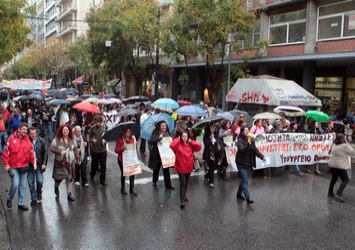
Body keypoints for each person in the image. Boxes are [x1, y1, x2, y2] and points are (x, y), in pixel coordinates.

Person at [2, 122, 36, 211]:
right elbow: (5, 153)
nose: (25, 131)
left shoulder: (28, 140)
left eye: (26, 130)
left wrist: (33, 162)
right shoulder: (10, 139)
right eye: (23, 129)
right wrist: (7, 165)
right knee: (15, 183)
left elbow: (31, 151)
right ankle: (9, 198)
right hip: (13, 166)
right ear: (19, 129)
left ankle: (20, 203)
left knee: (23, 185)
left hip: (24, 166)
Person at [170, 131, 201, 209]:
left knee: (186, 182)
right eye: (183, 136)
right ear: (180, 137)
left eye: (186, 136)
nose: (185, 138)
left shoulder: (190, 144)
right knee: (183, 183)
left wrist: (191, 141)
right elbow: (171, 145)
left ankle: (184, 195)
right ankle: (182, 201)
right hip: (180, 167)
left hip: (189, 166)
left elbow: (198, 147)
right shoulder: (178, 144)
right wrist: (178, 139)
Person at [236, 126, 265, 205]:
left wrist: (262, 157)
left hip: (248, 163)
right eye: (245, 130)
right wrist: (248, 144)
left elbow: (255, 150)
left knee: (244, 179)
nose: (247, 131)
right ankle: (248, 198)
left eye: (248, 130)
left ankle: (239, 193)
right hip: (241, 163)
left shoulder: (251, 140)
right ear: (242, 132)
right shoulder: (240, 141)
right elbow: (242, 150)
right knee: (245, 180)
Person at [50, 124, 77, 202]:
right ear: (61, 131)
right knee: (59, 178)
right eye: (64, 130)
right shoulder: (57, 139)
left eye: (67, 130)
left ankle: (69, 194)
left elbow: (74, 148)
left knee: (69, 177)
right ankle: (56, 187)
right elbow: (51, 148)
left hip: (70, 161)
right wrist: (59, 152)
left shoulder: (71, 139)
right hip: (60, 161)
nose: (65, 131)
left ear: (69, 131)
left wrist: (77, 156)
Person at [328, 133, 355, 203]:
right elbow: (352, 152)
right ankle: (338, 194)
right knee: (345, 179)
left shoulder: (334, 144)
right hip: (340, 166)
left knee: (334, 178)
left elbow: (329, 152)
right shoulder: (344, 146)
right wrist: (347, 143)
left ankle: (330, 192)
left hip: (332, 165)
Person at [148, 121, 174, 189]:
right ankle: (154, 180)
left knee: (166, 170)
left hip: (166, 154)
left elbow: (172, 141)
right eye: (162, 125)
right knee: (156, 169)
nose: (164, 127)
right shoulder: (155, 132)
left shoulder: (168, 133)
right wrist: (159, 138)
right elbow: (151, 141)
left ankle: (168, 185)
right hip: (157, 154)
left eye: (165, 125)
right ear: (159, 126)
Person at [27, 127, 48, 205]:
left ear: (36, 133)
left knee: (40, 180)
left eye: (34, 133)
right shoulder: (27, 141)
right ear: (29, 134)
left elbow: (46, 152)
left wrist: (44, 163)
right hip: (29, 165)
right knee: (30, 182)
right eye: (31, 133)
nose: (33, 135)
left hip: (39, 164)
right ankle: (33, 198)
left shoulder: (41, 141)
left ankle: (39, 193)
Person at [115, 127, 138, 196]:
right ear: (123, 132)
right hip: (122, 159)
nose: (128, 133)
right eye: (127, 132)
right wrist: (122, 148)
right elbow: (116, 150)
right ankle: (123, 187)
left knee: (132, 173)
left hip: (130, 159)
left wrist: (134, 144)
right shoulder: (120, 139)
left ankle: (132, 188)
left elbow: (134, 149)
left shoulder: (132, 138)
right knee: (124, 173)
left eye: (129, 132)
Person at [89, 115, 108, 186]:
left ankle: (102, 179)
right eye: (96, 122)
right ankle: (92, 175)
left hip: (103, 150)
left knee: (103, 165)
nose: (97, 124)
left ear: (101, 122)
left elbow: (107, 137)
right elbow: (89, 137)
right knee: (94, 164)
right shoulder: (92, 128)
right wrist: (92, 140)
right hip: (95, 150)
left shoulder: (104, 127)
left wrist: (105, 141)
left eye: (98, 122)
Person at [203, 123, 219, 188]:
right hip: (209, 153)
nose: (214, 128)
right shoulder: (206, 136)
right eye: (212, 127)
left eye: (214, 127)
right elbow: (206, 144)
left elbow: (217, 142)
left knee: (215, 166)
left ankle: (207, 175)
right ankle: (211, 182)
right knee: (212, 167)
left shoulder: (215, 134)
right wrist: (210, 138)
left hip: (215, 152)